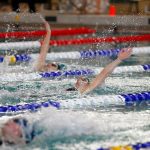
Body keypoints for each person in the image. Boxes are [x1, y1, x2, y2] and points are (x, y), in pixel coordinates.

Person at [67, 48, 132, 94]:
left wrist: (119, 59)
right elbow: (104, 73)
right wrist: (119, 59)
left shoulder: (89, 88)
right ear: (76, 85)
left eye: (85, 79)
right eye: (82, 79)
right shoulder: (86, 90)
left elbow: (104, 74)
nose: (83, 77)